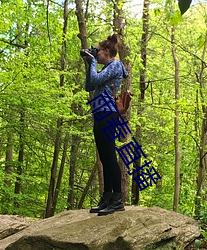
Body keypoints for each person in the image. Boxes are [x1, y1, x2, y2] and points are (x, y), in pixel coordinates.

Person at [83, 34, 129, 216]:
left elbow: (94, 81)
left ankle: (117, 199)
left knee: (109, 156)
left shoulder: (116, 65)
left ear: (107, 52)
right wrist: (90, 64)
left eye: (98, 51)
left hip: (108, 114)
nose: (96, 54)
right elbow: (89, 85)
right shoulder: (106, 69)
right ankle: (108, 197)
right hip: (100, 113)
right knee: (104, 157)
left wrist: (92, 62)